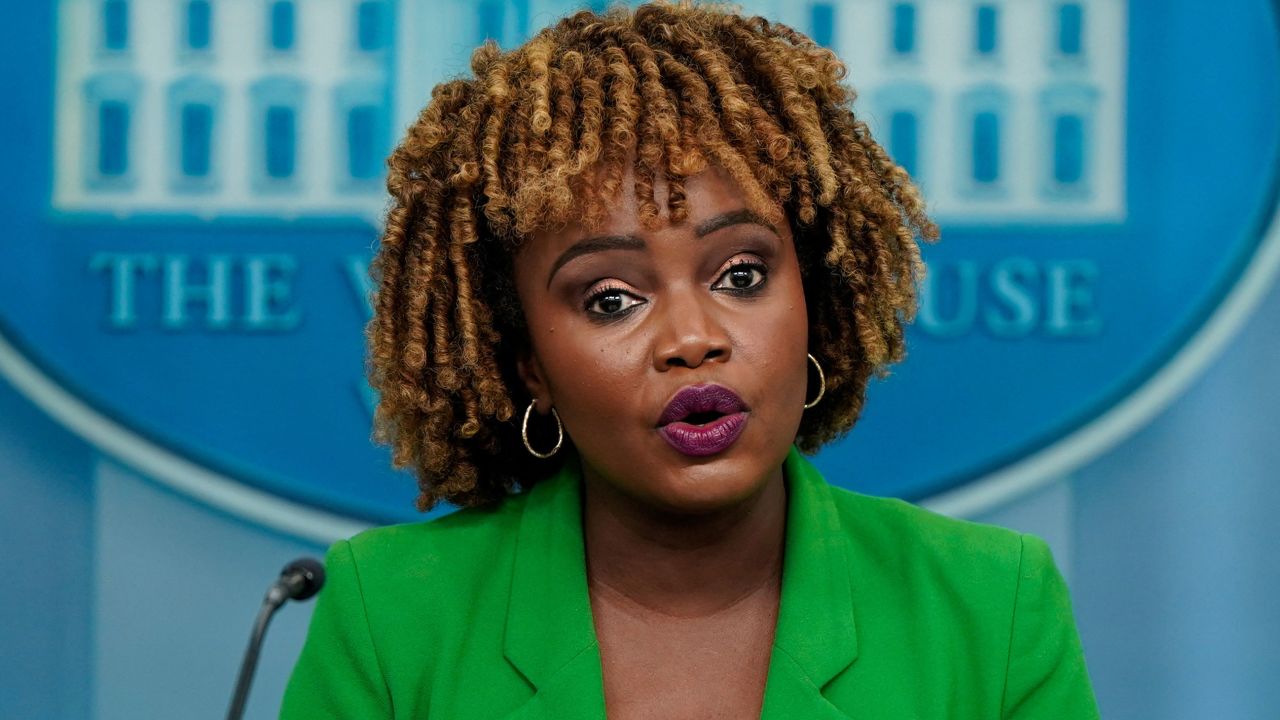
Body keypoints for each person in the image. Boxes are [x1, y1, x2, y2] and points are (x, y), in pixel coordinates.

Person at [280, 2, 1101, 718]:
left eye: (742, 276)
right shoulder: (389, 614)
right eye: (610, 299)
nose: (692, 337)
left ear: (813, 300)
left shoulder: (991, 608)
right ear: (528, 362)